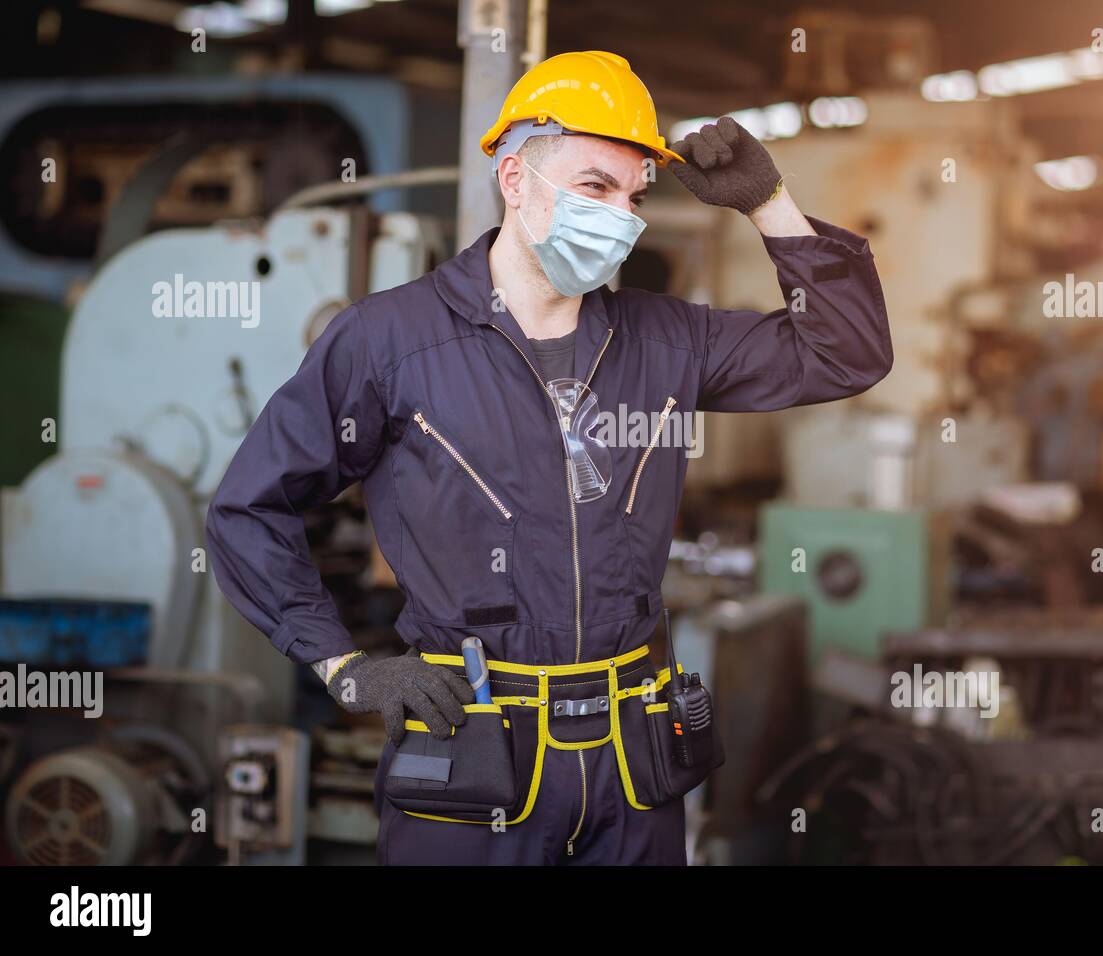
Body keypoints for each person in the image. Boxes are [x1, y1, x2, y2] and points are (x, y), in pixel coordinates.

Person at [206, 50, 892, 865]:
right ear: (515, 179)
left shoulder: (669, 340)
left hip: (633, 766)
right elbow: (249, 508)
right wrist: (345, 665)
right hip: (472, 757)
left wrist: (771, 205)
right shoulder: (391, 342)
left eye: (634, 196)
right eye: (595, 187)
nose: (620, 215)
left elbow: (848, 352)